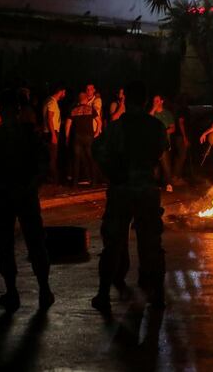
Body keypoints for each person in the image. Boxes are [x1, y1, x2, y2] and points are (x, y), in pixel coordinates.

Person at [91, 81, 169, 311]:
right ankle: (158, 296)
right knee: (151, 243)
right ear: (145, 101)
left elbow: (98, 150)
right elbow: (160, 151)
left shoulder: (117, 127)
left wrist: (112, 173)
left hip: (121, 189)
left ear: (128, 101)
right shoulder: (155, 127)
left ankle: (103, 294)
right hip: (146, 189)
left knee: (113, 242)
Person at [0, 90, 53, 313]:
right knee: (35, 243)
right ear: (20, 111)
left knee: (6, 245)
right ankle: (44, 290)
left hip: (3, 196)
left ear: (2, 112)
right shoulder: (30, 136)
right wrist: (30, 186)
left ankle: (12, 292)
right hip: (24, 195)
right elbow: (43, 167)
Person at [64, 92, 98, 187]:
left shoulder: (73, 110)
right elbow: (99, 122)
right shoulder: (91, 109)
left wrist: (67, 138)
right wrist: (96, 133)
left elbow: (68, 125)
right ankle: (94, 182)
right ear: (86, 99)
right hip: (89, 137)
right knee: (91, 159)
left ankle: (74, 183)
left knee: (76, 160)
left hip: (77, 137)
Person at [42, 84, 66, 183]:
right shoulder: (52, 102)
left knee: (50, 156)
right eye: (64, 92)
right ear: (60, 91)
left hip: (48, 131)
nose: (64, 94)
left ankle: (50, 178)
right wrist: (53, 134)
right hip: (52, 132)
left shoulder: (48, 100)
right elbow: (49, 119)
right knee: (52, 156)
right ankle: (53, 179)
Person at [172, 95, 191, 185]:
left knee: (180, 156)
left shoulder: (180, 109)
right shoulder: (182, 110)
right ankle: (176, 177)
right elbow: (181, 123)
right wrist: (185, 137)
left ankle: (177, 176)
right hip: (180, 136)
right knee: (181, 157)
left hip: (179, 136)